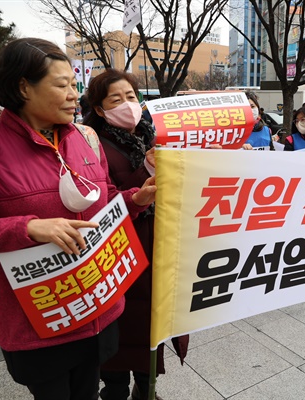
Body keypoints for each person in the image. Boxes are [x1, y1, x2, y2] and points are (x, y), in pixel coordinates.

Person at [0, 38, 157, 399]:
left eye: (74, 86)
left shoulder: (86, 139)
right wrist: (27, 227)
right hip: (39, 322)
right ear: (23, 86)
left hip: (99, 306)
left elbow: (105, 200)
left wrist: (135, 199)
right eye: (61, 85)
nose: (73, 95)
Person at [84, 69, 189, 400]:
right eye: (115, 99)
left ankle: (146, 390)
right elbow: (103, 202)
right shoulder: (91, 145)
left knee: (150, 326)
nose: (127, 105)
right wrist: (147, 169)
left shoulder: (157, 136)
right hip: (119, 252)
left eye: (131, 97)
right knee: (118, 325)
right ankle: (113, 390)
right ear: (99, 109)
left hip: (160, 243)